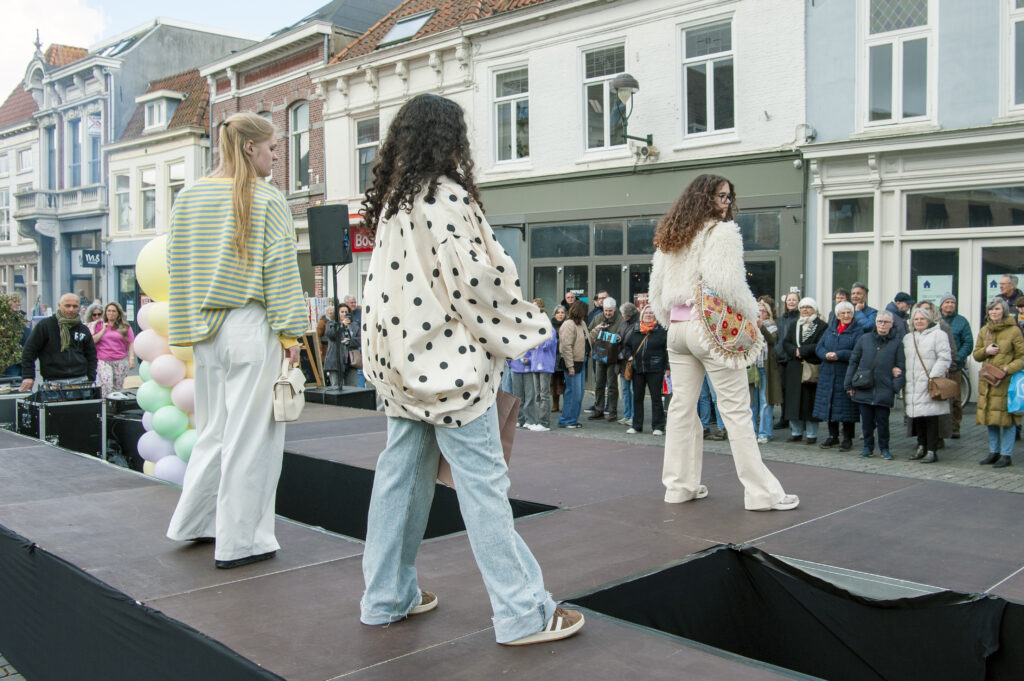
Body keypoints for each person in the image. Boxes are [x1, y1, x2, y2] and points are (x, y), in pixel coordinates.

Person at [356, 94, 583, 645]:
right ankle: (522, 613)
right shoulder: (446, 198)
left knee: (400, 481)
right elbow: (476, 282)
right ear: (449, 140)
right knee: (483, 486)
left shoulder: (394, 203)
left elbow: (382, 296)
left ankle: (386, 597)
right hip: (453, 368)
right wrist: (531, 327)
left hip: (403, 366)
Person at [165, 112, 308, 569]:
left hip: (204, 330)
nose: (276, 154)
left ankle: (196, 522)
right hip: (250, 324)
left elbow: (175, 267)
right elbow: (281, 272)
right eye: (271, 147)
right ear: (250, 148)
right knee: (252, 439)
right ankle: (240, 542)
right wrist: (292, 335)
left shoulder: (187, 198)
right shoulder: (267, 199)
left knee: (213, 432)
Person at [649, 173, 798, 511]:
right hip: (709, 330)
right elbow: (727, 283)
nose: (727, 202)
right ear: (705, 198)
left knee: (681, 409)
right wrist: (751, 317)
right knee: (736, 410)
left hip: (677, 328)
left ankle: (678, 486)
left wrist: (670, 321)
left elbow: (656, 290)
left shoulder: (672, 236)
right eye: (721, 196)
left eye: (729, 196)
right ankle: (761, 493)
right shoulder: (723, 232)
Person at [844, 310, 905, 459]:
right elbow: (853, 361)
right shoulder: (864, 339)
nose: (882, 325)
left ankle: (884, 448)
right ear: (875, 323)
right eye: (879, 322)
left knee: (883, 422)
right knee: (866, 422)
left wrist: (894, 387)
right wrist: (849, 384)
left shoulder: (897, 343)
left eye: (885, 322)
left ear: (891, 325)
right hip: (865, 386)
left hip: (885, 388)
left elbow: (901, 366)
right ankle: (868, 448)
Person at [974, 298, 1024, 468]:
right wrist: (985, 351)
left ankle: (1006, 455)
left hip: (1006, 382)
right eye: (991, 309)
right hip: (988, 381)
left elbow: (1022, 357)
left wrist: (1006, 369)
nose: (994, 312)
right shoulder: (984, 330)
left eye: (997, 309)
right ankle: (993, 452)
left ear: (1003, 310)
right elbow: (976, 355)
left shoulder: (1014, 331)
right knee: (991, 417)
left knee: (1007, 420)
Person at [19, 292, 97, 392]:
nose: (71, 309)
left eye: (75, 306)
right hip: (53, 382)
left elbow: (91, 355)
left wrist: (91, 377)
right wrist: (28, 376)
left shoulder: (83, 329)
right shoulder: (45, 325)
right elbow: (29, 351)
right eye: (67, 306)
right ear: (59, 305)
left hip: (81, 381)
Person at [903, 307, 951, 464]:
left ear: (929, 320)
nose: (918, 322)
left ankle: (932, 450)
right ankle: (921, 446)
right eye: (915, 319)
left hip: (930, 383)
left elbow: (944, 358)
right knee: (918, 418)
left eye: (922, 319)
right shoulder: (908, 338)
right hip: (913, 384)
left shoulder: (939, 335)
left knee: (931, 418)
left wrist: (932, 376)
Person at [813, 301, 863, 451]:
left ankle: (847, 438)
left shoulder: (858, 331)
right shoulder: (830, 329)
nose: (846, 315)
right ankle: (832, 436)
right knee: (830, 405)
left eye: (849, 313)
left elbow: (857, 351)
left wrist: (839, 355)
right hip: (828, 373)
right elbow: (819, 347)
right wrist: (825, 354)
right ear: (838, 315)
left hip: (845, 372)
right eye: (843, 313)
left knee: (847, 407)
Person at [780, 298, 827, 444]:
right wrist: (795, 351)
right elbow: (786, 342)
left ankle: (812, 435)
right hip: (795, 367)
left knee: (809, 402)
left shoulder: (821, 326)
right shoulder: (795, 324)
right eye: (803, 307)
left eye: (808, 307)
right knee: (793, 402)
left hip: (810, 367)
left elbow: (821, 344)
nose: (805, 310)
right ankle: (796, 432)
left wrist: (803, 350)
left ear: (814, 309)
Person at [622, 305, 668, 435]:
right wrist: (629, 356)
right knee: (637, 398)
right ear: (642, 315)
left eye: (651, 313)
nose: (648, 315)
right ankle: (636, 425)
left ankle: (658, 426)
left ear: (655, 316)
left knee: (656, 398)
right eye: (646, 313)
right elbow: (627, 346)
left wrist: (667, 367)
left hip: (655, 369)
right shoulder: (636, 330)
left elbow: (666, 350)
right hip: (638, 368)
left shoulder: (661, 331)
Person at [940, 294, 973, 438]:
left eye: (952, 302)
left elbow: (968, 342)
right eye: (947, 302)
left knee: (955, 398)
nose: (950, 305)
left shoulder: (962, 321)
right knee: (938, 396)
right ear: (941, 305)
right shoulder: (935, 320)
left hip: (955, 366)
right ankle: (940, 427)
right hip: (938, 366)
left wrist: (957, 358)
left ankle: (955, 426)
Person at [523, 300, 557, 431]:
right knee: (538, 394)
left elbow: (548, 344)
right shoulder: (536, 329)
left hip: (545, 365)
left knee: (544, 394)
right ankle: (539, 421)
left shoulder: (550, 329)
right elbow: (532, 348)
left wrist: (537, 343)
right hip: (535, 365)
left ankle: (545, 422)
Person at [752, 297, 781, 444]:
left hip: (766, 368)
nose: (759, 313)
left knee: (765, 401)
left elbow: (771, 339)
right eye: (757, 311)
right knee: (752, 402)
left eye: (762, 311)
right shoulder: (750, 327)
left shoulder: (772, 326)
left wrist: (761, 326)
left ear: (768, 314)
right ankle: (752, 432)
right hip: (753, 368)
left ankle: (764, 433)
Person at [587, 296, 622, 421]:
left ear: (615, 309)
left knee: (612, 385)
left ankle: (612, 411)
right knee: (599, 384)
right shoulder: (598, 318)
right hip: (599, 354)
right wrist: (597, 329)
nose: (607, 313)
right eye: (606, 310)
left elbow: (624, 336)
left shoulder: (620, 320)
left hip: (613, 356)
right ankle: (599, 410)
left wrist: (619, 338)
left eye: (610, 311)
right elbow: (589, 332)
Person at [91, 302, 135, 396]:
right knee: (106, 384)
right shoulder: (99, 325)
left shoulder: (125, 326)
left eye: (114, 311)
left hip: (120, 360)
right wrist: (103, 330)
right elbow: (93, 340)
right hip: (103, 360)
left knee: (117, 388)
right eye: (109, 311)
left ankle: (113, 407)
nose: (111, 313)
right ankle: (105, 405)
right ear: (106, 312)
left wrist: (131, 358)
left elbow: (131, 342)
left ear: (118, 313)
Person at [557, 300, 588, 429]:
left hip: (581, 361)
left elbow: (585, 339)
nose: (586, 315)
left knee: (579, 393)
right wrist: (570, 366)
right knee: (573, 393)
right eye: (584, 312)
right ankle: (566, 420)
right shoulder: (569, 325)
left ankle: (572, 419)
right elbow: (566, 347)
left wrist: (596, 331)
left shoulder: (582, 323)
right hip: (573, 363)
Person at [774, 289, 801, 430]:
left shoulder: (799, 318)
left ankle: (794, 420)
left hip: (793, 358)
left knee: (793, 390)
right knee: (783, 390)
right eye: (789, 300)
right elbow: (778, 338)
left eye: (794, 300)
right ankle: (783, 418)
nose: (791, 302)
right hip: (781, 359)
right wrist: (778, 350)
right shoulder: (781, 319)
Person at [323, 302, 358, 388]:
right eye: (342, 312)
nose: (344, 314)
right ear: (337, 313)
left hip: (351, 361)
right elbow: (330, 334)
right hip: (335, 360)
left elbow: (360, 339)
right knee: (335, 387)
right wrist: (342, 325)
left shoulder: (354, 325)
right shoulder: (331, 324)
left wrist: (350, 341)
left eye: (346, 312)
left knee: (352, 388)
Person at [616, 302, 639, 425]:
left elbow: (633, 343)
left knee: (632, 389)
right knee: (625, 389)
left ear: (629, 314)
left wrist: (623, 353)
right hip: (623, 361)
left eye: (624, 314)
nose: (622, 316)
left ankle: (633, 416)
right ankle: (627, 414)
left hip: (631, 360)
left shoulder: (637, 323)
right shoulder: (624, 322)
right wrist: (617, 338)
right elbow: (619, 334)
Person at [549, 305, 567, 412]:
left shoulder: (567, 325)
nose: (560, 315)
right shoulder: (550, 325)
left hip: (564, 357)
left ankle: (565, 406)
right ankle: (555, 404)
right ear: (555, 314)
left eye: (562, 312)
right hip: (552, 357)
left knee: (564, 382)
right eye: (558, 312)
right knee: (553, 382)